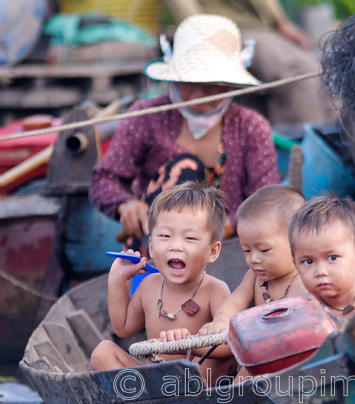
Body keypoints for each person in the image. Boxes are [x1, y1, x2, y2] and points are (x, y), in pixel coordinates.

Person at [89, 14, 281, 249]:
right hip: (154, 254)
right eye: (189, 80)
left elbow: (266, 202)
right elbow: (104, 179)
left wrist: (222, 230)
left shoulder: (251, 127)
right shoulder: (146, 116)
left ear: (230, 83)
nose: (199, 94)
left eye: (212, 83)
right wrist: (125, 206)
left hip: (228, 254)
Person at [90, 182, 236, 385]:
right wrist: (117, 279)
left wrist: (189, 345)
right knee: (102, 352)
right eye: (165, 236)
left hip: (195, 380)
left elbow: (231, 345)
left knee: (225, 356)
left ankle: (192, 397)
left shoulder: (214, 290)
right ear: (151, 246)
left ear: (212, 251)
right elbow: (122, 328)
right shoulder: (149, 285)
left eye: (190, 238)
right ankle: (142, 401)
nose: (175, 246)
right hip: (152, 384)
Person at [164, 0, 338, 125]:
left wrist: (280, 22)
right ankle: (301, 148)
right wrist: (207, 38)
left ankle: (332, 141)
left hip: (262, 29)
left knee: (317, 69)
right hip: (223, 32)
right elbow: (185, 9)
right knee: (295, 74)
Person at [198, 184, 308, 337]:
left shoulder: (306, 280)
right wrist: (221, 322)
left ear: (297, 241)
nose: (254, 259)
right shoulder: (254, 277)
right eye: (247, 250)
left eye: (264, 250)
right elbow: (235, 302)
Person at [288, 194, 355, 323]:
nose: (320, 272)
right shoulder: (302, 309)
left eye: (332, 258)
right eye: (308, 261)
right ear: (296, 265)